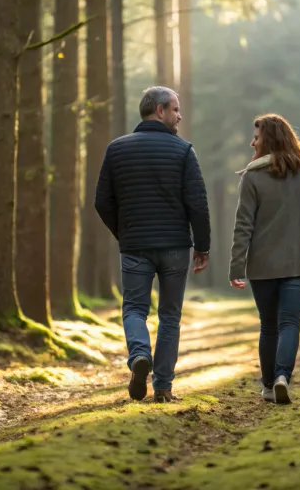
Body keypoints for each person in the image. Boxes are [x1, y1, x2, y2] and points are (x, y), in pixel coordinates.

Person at [95, 86, 211, 403]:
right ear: (159, 111)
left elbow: (102, 202)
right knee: (170, 316)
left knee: (134, 308)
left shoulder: (116, 150)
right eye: (175, 109)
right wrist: (202, 246)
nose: (179, 116)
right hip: (175, 246)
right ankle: (162, 388)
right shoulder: (184, 151)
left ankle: (139, 356)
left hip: (135, 245)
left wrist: (125, 232)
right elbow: (197, 204)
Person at [228, 114, 300, 405]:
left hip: (263, 266)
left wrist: (236, 266)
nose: (252, 142)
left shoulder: (252, 176)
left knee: (269, 325)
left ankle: (267, 385)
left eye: (256, 137)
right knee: (290, 323)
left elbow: (243, 226)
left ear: (270, 139)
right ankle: (282, 377)